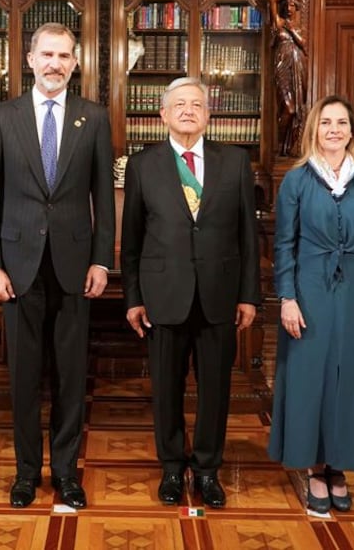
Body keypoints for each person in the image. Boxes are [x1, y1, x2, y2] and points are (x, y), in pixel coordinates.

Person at [0, 21, 115, 510]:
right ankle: (25, 474)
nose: (55, 64)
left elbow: (104, 197)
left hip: (76, 266)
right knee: (24, 378)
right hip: (17, 267)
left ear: (76, 64)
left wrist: (102, 260)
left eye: (64, 56)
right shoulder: (2, 117)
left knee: (72, 377)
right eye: (47, 54)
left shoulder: (93, 118)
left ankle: (67, 474)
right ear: (30, 59)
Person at [120, 76, 260, 509]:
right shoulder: (143, 165)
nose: (187, 111)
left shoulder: (235, 163)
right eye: (178, 104)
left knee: (216, 389)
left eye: (196, 104)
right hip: (163, 295)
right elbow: (133, 240)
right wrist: (133, 299)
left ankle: (207, 470)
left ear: (207, 114)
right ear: (162, 114)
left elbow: (248, 238)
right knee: (166, 389)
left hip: (219, 295)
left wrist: (249, 295)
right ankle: (170, 468)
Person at [267, 94, 354, 514]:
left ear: (352, 131)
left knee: (353, 380)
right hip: (310, 290)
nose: (334, 130)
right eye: (325, 123)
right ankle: (315, 467)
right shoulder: (297, 180)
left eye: (341, 122)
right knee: (311, 378)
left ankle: (339, 467)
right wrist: (287, 298)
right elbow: (284, 244)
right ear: (314, 131)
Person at [270, 0, 308, 158]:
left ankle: (288, 147)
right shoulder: (279, 22)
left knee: (295, 109)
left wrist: (291, 29)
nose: (289, 8)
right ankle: (279, 144)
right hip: (281, 67)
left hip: (297, 66)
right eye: (286, 4)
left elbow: (303, 44)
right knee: (288, 108)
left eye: (293, 5)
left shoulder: (298, 26)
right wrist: (281, 0)